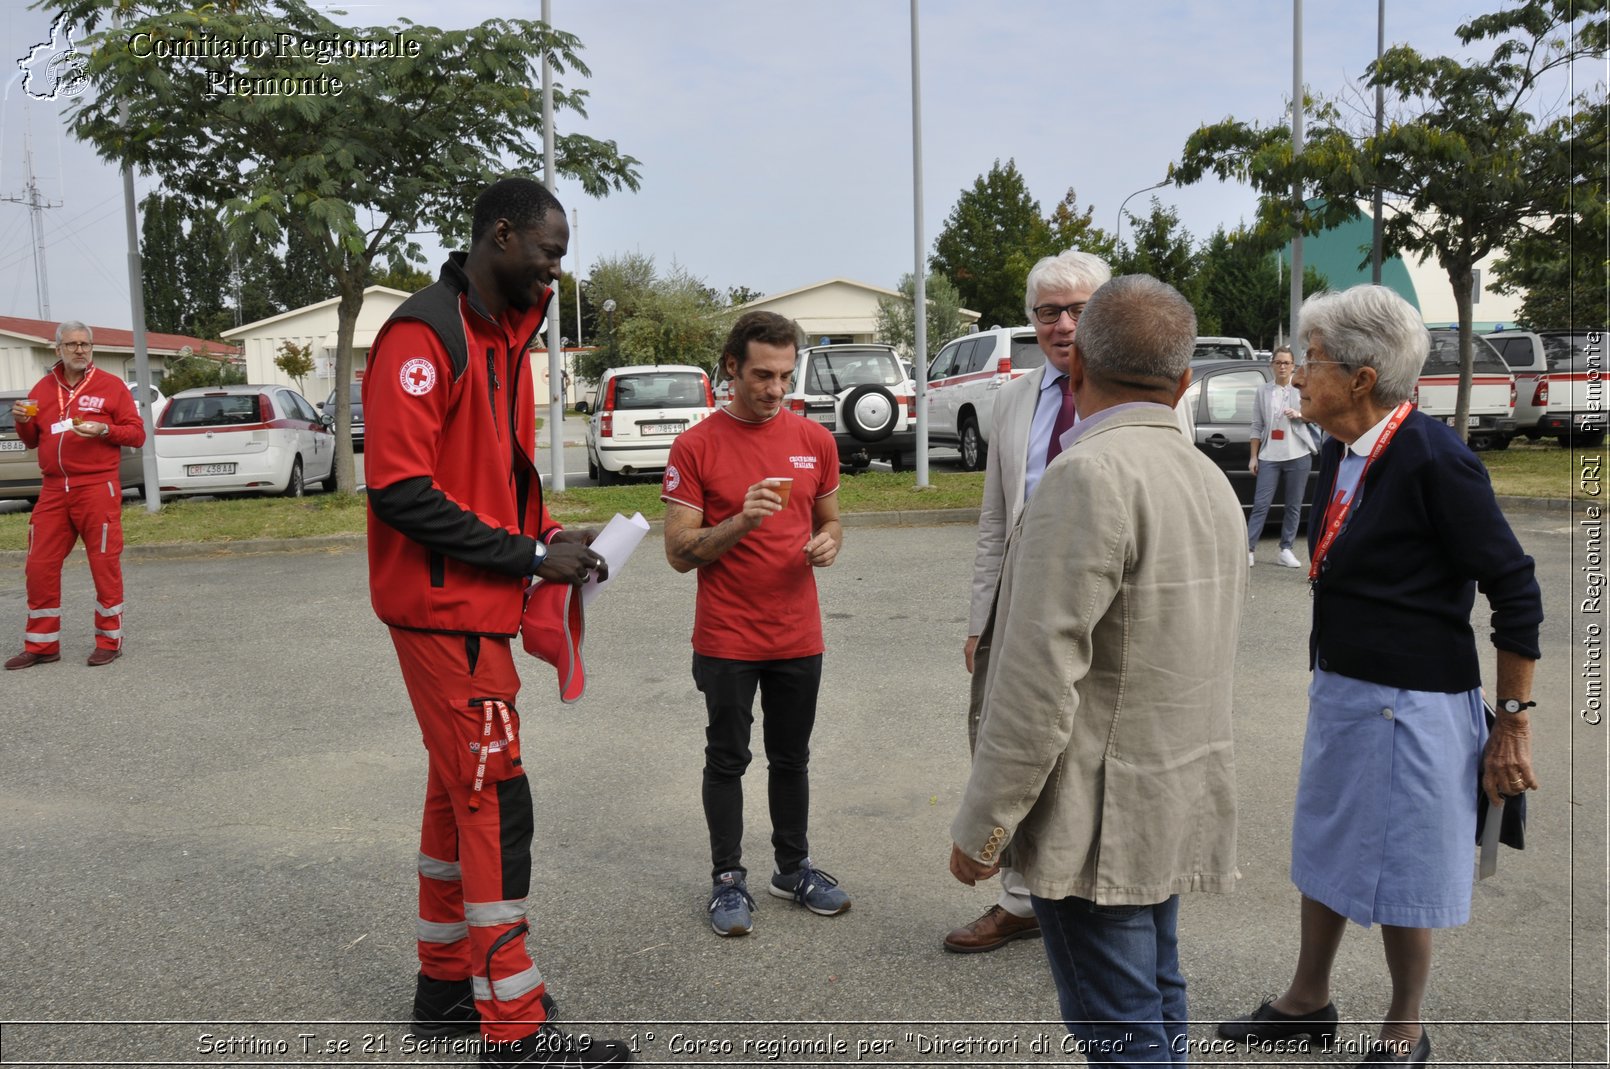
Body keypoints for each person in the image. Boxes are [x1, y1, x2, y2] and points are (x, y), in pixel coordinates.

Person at [1218, 285, 1542, 1067]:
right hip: (1345, 687)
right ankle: (1307, 1000)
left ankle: (1405, 1027)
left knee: (1406, 862)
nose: (1297, 375)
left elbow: (1516, 588)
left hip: (1415, 701)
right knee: (1326, 841)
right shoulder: (1341, 446)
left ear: (1363, 378)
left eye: (1314, 358)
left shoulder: (1435, 457)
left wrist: (1513, 718)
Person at [364, 177, 630, 1068]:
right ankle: (514, 1029)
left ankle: (444, 991)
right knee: (495, 800)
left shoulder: (505, 334)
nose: (558, 269)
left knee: (458, 791)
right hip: (444, 613)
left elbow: (488, 479)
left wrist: (548, 535)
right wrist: (525, 558)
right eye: (550, 252)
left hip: (476, 606)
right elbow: (399, 491)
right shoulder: (423, 336)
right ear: (502, 236)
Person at [950, 275, 1246, 1064]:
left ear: (1074, 368)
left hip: (1095, 815)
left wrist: (984, 827)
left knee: (1122, 1031)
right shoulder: (1209, 478)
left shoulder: (1089, 475)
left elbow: (1037, 681)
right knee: (1156, 996)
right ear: (1185, 383)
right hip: (1164, 795)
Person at [661, 309, 848, 938]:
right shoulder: (696, 446)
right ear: (732, 368)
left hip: (799, 632)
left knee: (791, 758)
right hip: (728, 637)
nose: (775, 389)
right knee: (728, 758)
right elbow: (679, 554)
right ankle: (727, 879)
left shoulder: (814, 440)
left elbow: (831, 520)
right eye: (762, 375)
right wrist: (740, 521)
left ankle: (792, 870)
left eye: (785, 376)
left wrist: (828, 541)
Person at [948, 249, 1111, 954]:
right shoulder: (1014, 398)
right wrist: (980, 619)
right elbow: (992, 522)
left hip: (1101, 597)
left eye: (1080, 309)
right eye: (1050, 311)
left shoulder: (1137, 395)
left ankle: (1088, 895)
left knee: (1089, 745)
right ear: (1032, 320)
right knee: (1006, 739)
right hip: (1020, 599)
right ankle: (1020, 898)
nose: (1065, 324)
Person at [6, 321, 144, 670]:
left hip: (97, 487)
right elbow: (32, 440)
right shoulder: (41, 388)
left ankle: (109, 641)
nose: (80, 350)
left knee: (104, 565)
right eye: (72, 344)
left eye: (85, 344)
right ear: (58, 350)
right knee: (39, 566)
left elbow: (136, 434)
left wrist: (104, 430)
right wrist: (21, 420)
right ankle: (42, 645)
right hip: (53, 490)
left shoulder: (111, 387)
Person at [1246, 345, 1317, 568]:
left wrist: (1300, 415)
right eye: (1278, 363)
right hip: (1269, 454)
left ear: (1293, 366)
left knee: (1294, 505)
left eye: (1287, 363)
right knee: (1261, 504)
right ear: (1272, 365)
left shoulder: (1301, 388)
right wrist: (1254, 457)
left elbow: (1315, 415)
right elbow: (1257, 425)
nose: (1283, 367)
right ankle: (1248, 549)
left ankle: (1286, 549)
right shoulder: (1263, 391)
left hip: (1298, 453)